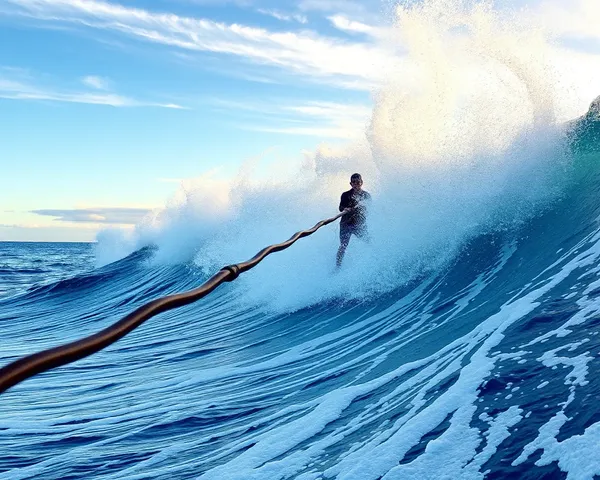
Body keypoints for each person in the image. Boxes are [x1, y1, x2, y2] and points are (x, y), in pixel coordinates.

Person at [336, 173, 371, 267]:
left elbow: (369, 210)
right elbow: (340, 207)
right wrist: (345, 209)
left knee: (369, 241)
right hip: (345, 224)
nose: (356, 184)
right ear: (351, 184)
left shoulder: (366, 195)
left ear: (361, 182)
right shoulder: (345, 195)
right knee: (343, 246)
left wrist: (362, 209)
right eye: (354, 182)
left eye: (358, 182)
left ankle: (373, 260)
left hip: (358, 224)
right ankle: (337, 267)